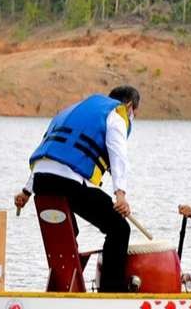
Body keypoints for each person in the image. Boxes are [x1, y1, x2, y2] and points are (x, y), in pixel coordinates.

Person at [14, 85, 139, 292]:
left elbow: (50, 150)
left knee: (70, 229)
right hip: (68, 181)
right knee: (119, 228)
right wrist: (120, 195)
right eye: (135, 113)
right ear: (129, 106)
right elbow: (119, 156)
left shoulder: (71, 111)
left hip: (42, 181)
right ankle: (112, 293)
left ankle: (66, 284)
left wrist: (26, 191)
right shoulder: (117, 114)